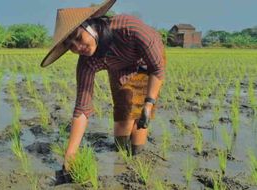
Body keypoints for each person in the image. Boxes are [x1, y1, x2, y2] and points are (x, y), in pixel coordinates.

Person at [41, 0, 166, 178]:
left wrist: (148, 103)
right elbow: (82, 108)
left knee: (139, 118)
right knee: (122, 126)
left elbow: (157, 69)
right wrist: (71, 154)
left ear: (90, 25)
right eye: (70, 46)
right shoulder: (87, 62)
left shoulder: (128, 29)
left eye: (77, 37)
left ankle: (138, 159)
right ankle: (121, 161)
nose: (77, 47)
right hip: (119, 68)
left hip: (146, 66)